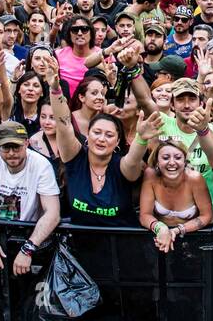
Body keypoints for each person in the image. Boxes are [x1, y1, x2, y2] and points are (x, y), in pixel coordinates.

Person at [50, 54, 154, 226]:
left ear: (117, 141)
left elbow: (134, 158)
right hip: (81, 248)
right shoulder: (74, 159)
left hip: (120, 248)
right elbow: (63, 124)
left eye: (109, 135)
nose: (101, 139)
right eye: (97, 132)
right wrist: (54, 88)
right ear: (87, 135)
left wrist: (141, 138)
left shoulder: (122, 166)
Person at [0, 121, 60, 274]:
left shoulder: (41, 165)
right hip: (0, 234)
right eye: (5, 148)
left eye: (16, 147)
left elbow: (53, 213)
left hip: (32, 236)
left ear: (26, 143)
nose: (11, 153)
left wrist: (28, 249)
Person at [139, 138, 213, 252]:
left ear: (185, 161)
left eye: (178, 158)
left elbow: (207, 216)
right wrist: (161, 228)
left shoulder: (195, 178)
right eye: (165, 158)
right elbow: (144, 215)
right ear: (157, 161)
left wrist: (176, 231)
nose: (172, 162)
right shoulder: (150, 175)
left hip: (190, 242)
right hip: (157, 241)